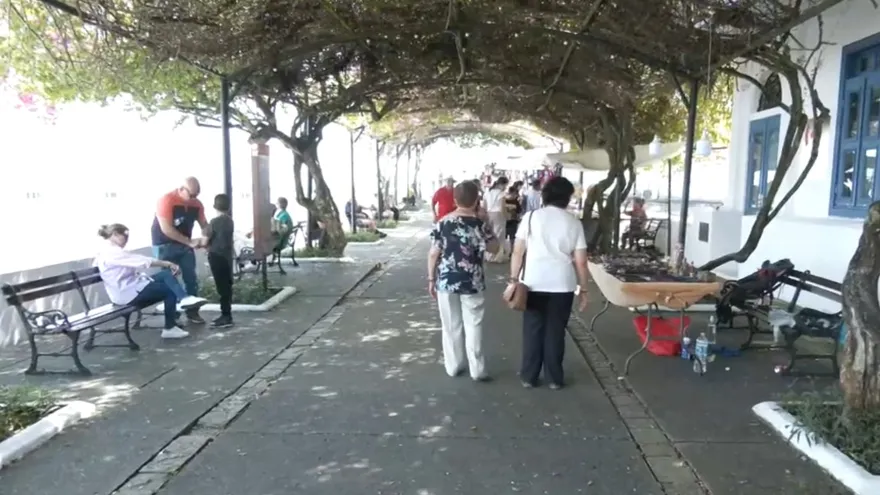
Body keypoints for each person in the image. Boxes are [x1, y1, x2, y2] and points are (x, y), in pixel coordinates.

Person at [507, 177, 590, 390]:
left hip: (533, 281)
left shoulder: (531, 217)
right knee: (556, 331)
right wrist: (584, 288)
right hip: (562, 284)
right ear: (567, 197)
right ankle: (554, 378)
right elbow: (580, 261)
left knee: (533, 329)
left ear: (545, 195)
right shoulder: (574, 223)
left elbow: (518, 251)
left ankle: (529, 376)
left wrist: (513, 279)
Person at [428, 181, 499, 382]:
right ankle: (477, 369)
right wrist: (488, 225)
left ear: (455, 200)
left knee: (450, 324)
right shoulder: (480, 224)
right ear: (477, 199)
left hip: (446, 280)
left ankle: (454, 366)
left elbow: (434, 253)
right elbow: (494, 249)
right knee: (474, 324)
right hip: (472, 281)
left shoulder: (443, 222)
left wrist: (431, 278)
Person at [95, 224, 206, 339]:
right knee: (168, 291)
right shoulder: (112, 252)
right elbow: (141, 261)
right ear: (114, 235)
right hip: (126, 293)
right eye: (125, 237)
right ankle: (170, 328)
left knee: (165, 275)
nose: (126, 241)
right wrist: (166, 263)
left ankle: (184, 299)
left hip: (132, 286)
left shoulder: (108, 250)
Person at [152, 177, 210, 325]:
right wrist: (189, 242)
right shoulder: (166, 200)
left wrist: (205, 237)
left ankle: (192, 313)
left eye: (196, 195)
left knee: (191, 279)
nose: (193, 199)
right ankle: (172, 317)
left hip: (185, 246)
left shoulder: (196, 204)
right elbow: (167, 229)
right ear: (181, 189)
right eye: (191, 195)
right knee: (169, 280)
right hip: (165, 245)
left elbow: (205, 224)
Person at [207, 194, 235, 329]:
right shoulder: (230, 221)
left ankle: (225, 316)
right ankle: (227, 313)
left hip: (216, 255)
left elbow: (207, 238)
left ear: (214, 207)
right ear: (229, 207)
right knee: (227, 286)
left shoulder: (213, 222)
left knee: (221, 286)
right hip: (227, 257)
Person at [482, 176, 509, 263]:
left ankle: (488, 256)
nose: (505, 187)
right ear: (502, 184)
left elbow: (484, 207)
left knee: (489, 235)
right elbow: (502, 208)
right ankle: (497, 257)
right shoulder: (501, 194)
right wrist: (507, 217)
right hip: (498, 215)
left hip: (488, 215)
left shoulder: (487, 193)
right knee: (499, 235)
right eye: (505, 185)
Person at [504, 183, 524, 248]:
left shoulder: (513, 201)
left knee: (511, 238)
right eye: (515, 194)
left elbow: (519, 211)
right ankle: (508, 251)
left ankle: (510, 251)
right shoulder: (505, 201)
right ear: (512, 193)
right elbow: (519, 211)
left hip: (512, 222)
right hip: (508, 222)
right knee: (510, 238)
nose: (516, 196)